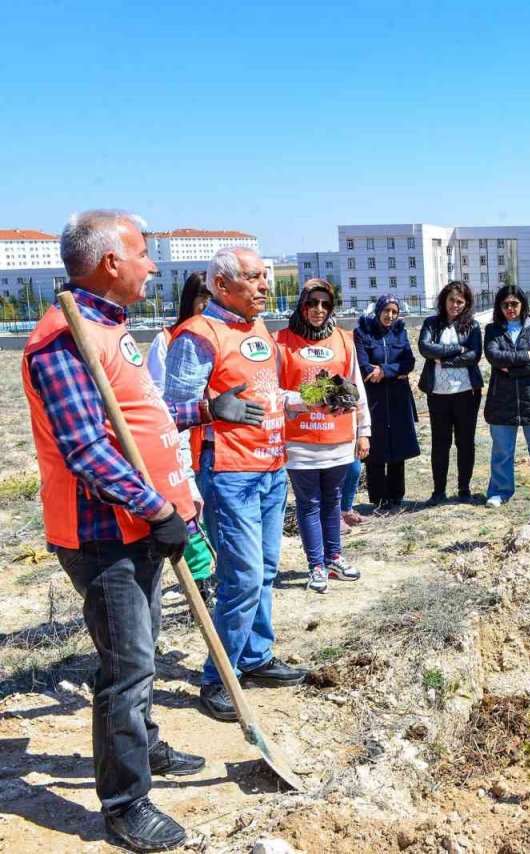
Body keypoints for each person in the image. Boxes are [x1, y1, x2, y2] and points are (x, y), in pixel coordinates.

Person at [23, 210, 226, 851]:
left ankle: (147, 746)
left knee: (144, 647)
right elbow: (86, 449)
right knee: (128, 664)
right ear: (110, 262)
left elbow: (139, 416)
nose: (154, 266)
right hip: (103, 531)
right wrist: (157, 509)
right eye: (143, 253)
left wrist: (200, 411)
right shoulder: (65, 340)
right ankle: (125, 803)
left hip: (139, 523)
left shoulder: (111, 329)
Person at [165, 247, 309, 723]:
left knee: (265, 570)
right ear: (223, 286)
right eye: (253, 278)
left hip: (270, 467)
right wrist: (208, 411)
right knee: (241, 577)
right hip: (230, 473)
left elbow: (267, 396)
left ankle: (255, 656)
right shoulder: (199, 335)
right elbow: (167, 411)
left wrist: (314, 397)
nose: (265, 285)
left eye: (265, 276)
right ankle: (218, 677)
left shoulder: (256, 329)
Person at [276, 279, 370, 593]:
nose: (318, 309)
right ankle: (315, 564)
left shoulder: (345, 339)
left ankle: (334, 558)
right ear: (302, 304)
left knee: (332, 502)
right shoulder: (282, 341)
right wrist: (311, 396)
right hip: (301, 440)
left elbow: (357, 387)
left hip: (339, 438)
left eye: (325, 304)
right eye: (312, 303)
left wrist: (363, 431)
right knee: (309, 503)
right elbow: (273, 391)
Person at [146, 271, 215, 605]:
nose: (208, 304)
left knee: (207, 514)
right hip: (183, 440)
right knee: (189, 512)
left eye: (214, 297)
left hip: (216, 440)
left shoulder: (223, 334)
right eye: (203, 297)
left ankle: (209, 578)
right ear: (190, 298)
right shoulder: (168, 338)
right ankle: (198, 590)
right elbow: (159, 401)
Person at [483, 285, 530, 506]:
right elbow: (494, 356)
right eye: (505, 304)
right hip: (501, 400)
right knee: (502, 450)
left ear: (522, 304)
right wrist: (526, 355)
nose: (510, 308)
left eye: (514, 303)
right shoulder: (493, 330)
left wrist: (512, 369)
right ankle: (500, 491)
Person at [417, 281, 483, 505]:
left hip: (466, 393)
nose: (455, 305)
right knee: (440, 443)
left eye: (460, 302)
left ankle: (464, 489)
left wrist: (443, 361)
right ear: (444, 300)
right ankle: (438, 491)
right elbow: (425, 348)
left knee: (465, 442)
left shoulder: (472, 326)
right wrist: (457, 349)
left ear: (466, 304)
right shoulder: (431, 324)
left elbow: (474, 356)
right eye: (452, 300)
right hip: (438, 394)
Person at [354, 294, 419, 511]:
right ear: (378, 310)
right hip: (373, 398)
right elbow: (363, 366)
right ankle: (378, 498)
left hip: (398, 397)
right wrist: (393, 371)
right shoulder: (362, 332)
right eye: (386, 310)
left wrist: (383, 371)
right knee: (376, 445)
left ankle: (396, 495)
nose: (390, 315)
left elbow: (408, 362)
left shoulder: (399, 332)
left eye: (394, 311)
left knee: (397, 445)